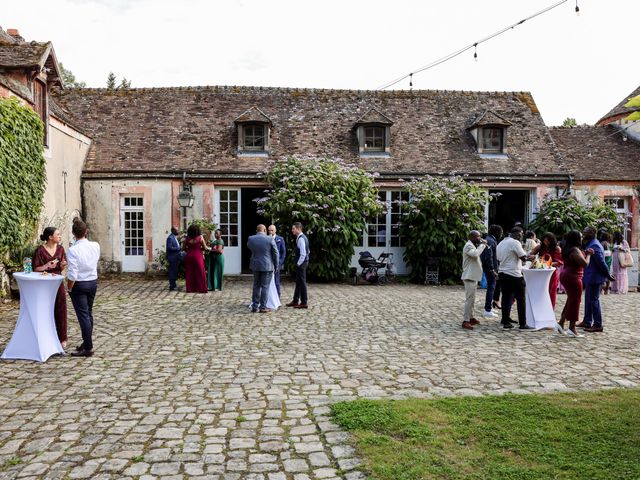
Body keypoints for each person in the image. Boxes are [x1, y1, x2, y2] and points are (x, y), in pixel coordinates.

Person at [66, 218, 100, 357]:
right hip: (92, 281)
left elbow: (72, 273)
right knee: (88, 313)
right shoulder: (95, 245)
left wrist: (69, 288)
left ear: (73, 233)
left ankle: (88, 347)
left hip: (79, 284)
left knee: (83, 316)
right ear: (86, 232)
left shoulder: (73, 250)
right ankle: (86, 343)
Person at [32, 227, 68, 348]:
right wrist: (47, 265)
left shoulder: (61, 249)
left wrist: (62, 266)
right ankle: (46, 337)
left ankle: (62, 338)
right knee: (46, 309)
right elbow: (35, 268)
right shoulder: (40, 251)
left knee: (61, 309)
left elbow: (61, 267)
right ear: (50, 237)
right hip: (44, 284)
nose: (60, 236)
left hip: (57, 283)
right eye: (58, 234)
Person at [578, 226, 614, 333]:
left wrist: (608, 275)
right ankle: (587, 321)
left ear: (593, 233)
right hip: (590, 276)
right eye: (584, 231)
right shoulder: (591, 243)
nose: (584, 232)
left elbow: (601, 263)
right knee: (588, 300)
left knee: (594, 301)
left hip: (595, 277)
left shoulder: (595, 245)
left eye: (586, 231)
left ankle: (598, 324)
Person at [496, 227, 533, 330]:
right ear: (517, 234)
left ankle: (505, 322)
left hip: (502, 273)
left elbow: (498, 258)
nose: (521, 236)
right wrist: (530, 257)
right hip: (514, 274)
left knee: (506, 298)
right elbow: (523, 258)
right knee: (521, 299)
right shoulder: (515, 242)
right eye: (521, 234)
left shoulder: (501, 243)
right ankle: (523, 324)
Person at [558, 230, 590, 337]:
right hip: (573, 277)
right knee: (575, 302)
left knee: (571, 300)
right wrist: (589, 255)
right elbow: (584, 264)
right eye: (580, 236)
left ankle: (561, 323)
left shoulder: (567, 248)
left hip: (567, 275)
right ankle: (572, 328)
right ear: (576, 238)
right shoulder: (575, 250)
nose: (582, 238)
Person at [247, 224, 279, 313]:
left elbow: (249, 247)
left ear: (257, 230)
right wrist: (276, 266)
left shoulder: (251, 239)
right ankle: (263, 307)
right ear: (265, 230)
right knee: (265, 287)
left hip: (255, 265)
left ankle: (254, 306)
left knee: (256, 285)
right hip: (267, 265)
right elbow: (275, 253)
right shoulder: (270, 239)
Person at [461, 230, 487, 330]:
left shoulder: (472, 244)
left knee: (472, 299)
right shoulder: (468, 245)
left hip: (473, 276)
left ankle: (471, 318)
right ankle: (466, 320)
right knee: (469, 300)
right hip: (469, 276)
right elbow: (475, 254)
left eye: (480, 236)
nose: (479, 238)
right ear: (471, 237)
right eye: (477, 237)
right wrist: (483, 245)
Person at [530, 232, 563, 309]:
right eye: (544, 241)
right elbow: (530, 255)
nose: (546, 243)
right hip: (541, 272)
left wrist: (544, 263)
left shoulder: (557, 248)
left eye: (548, 241)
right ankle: (540, 309)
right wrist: (533, 257)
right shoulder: (540, 247)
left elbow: (559, 263)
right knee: (540, 292)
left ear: (552, 241)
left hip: (552, 273)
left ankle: (550, 310)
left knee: (551, 292)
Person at [480, 224, 503, 318]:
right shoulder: (490, 240)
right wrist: (492, 269)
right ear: (496, 232)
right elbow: (489, 256)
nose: (501, 235)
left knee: (492, 287)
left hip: (489, 267)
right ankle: (487, 309)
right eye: (500, 233)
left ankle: (489, 307)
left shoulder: (489, 239)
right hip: (490, 268)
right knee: (491, 287)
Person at [286, 222, 310, 309]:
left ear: (298, 229)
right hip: (303, 262)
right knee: (298, 282)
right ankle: (295, 300)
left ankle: (304, 302)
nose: (292, 230)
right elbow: (308, 251)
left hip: (302, 263)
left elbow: (303, 253)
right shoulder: (302, 238)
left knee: (302, 282)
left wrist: (298, 263)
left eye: (293, 229)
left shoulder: (301, 239)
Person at [183, 224, 209, 293]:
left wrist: (189, 250)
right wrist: (200, 249)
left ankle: (190, 288)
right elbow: (205, 248)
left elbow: (183, 248)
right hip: (198, 255)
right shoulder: (200, 237)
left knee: (190, 272)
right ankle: (201, 288)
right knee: (200, 272)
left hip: (189, 255)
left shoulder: (187, 238)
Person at [268, 224, 286, 296]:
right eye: (269, 230)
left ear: (275, 230)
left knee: (276, 280)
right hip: (268, 262)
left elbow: (283, 251)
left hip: (277, 262)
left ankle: (277, 296)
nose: (270, 232)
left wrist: (280, 261)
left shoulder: (280, 239)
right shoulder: (266, 238)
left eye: (272, 230)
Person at [166, 226, 182, 291]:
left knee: (174, 271)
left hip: (176, 257)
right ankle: (172, 286)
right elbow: (169, 248)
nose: (178, 231)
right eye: (177, 230)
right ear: (173, 231)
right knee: (172, 272)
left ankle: (174, 285)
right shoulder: (170, 238)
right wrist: (178, 248)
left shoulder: (174, 237)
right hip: (172, 257)